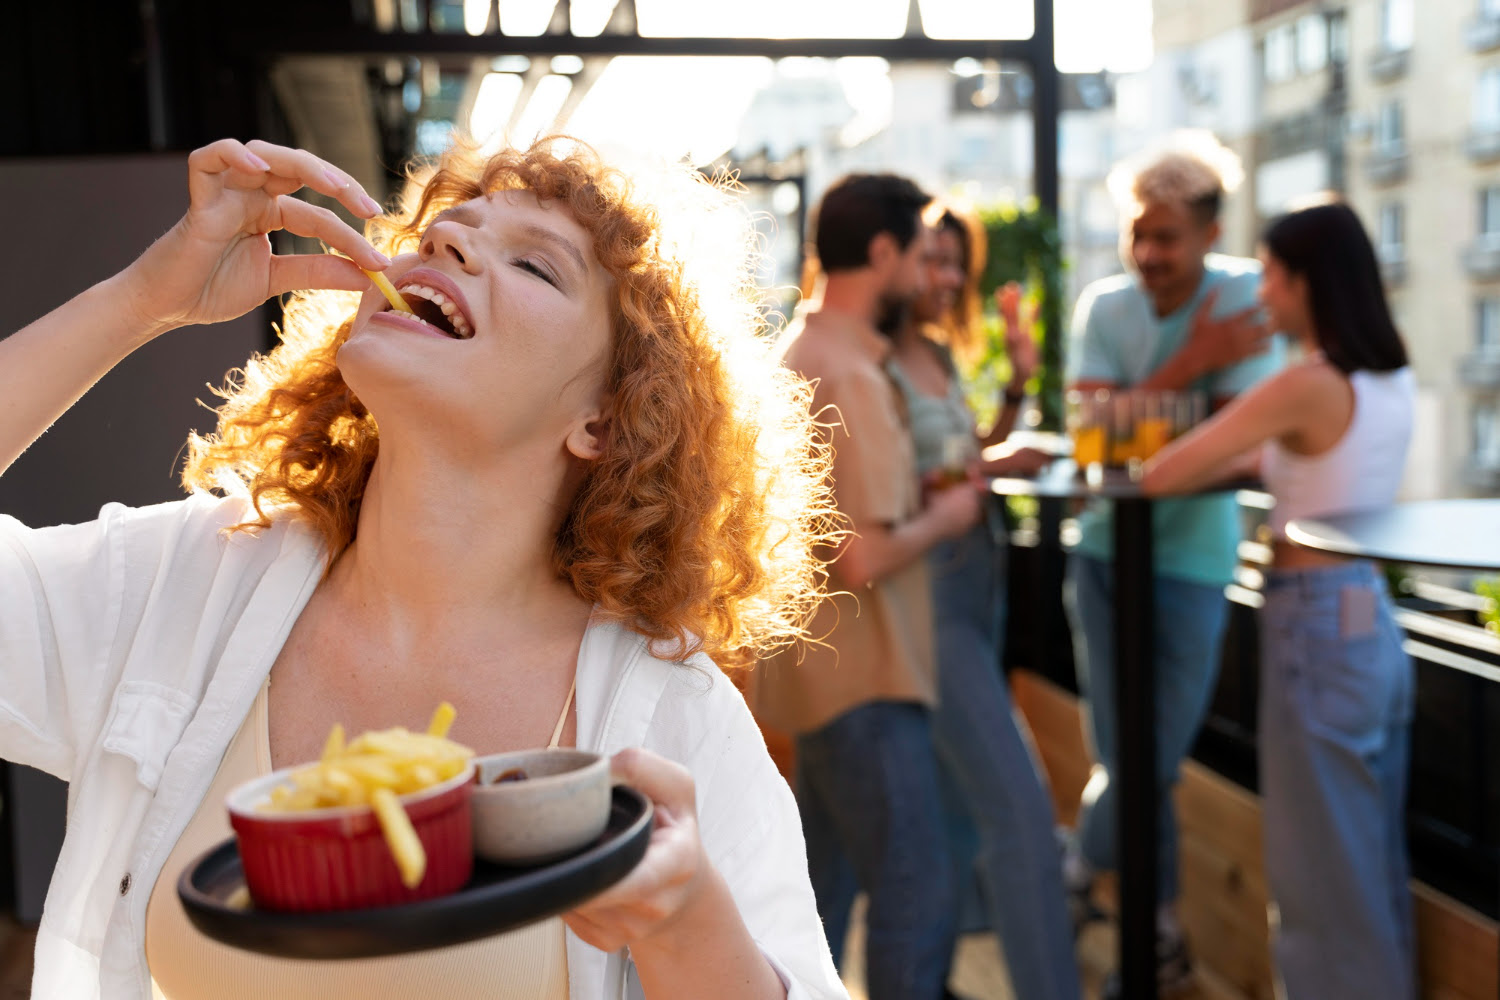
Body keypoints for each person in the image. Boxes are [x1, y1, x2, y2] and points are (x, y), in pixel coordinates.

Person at [0, 137, 848, 1000]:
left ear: (603, 420)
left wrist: (685, 919)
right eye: (442, 230)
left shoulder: (677, 714)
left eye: (534, 265)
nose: (447, 241)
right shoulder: (184, 581)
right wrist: (143, 299)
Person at [1142, 201, 1416, 1000]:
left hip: (1313, 623)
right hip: (1369, 616)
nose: (1261, 293)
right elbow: (1310, 465)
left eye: (1270, 274)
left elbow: (1162, 474)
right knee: (1367, 867)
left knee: (1317, 878)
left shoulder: (1304, 384)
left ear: (1307, 281)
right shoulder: (1390, 377)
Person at [1061, 132, 1286, 995]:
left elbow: (1241, 447)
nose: (1149, 254)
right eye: (1137, 233)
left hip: (1192, 563)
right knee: (1124, 752)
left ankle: (1078, 868)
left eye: (1168, 236)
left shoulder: (1246, 298)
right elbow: (1094, 439)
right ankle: (1155, 931)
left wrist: (1135, 426)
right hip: (1103, 558)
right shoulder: (1106, 307)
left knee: (1147, 761)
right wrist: (1195, 366)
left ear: (1211, 232)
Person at [754, 173, 983, 1000]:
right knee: (917, 894)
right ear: (882, 253)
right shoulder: (850, 371)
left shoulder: (801, 349)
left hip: (820, 676)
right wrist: (947, 518)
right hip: (867, 678)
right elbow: (861, 557)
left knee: (819, 899)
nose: (926, 276)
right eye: (919, 256)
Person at [882, 203, 1081, 1000]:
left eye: (956, 261)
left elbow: (960, 456)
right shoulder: (873, 361)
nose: (948, 276)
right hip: (929, 600)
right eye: (933, 258)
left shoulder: (934, 353)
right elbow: (897, 484)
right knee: (1021, 814)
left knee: (956, 805)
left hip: (975, 587)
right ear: (896, 262)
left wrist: (1019, 387)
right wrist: (995, 467)